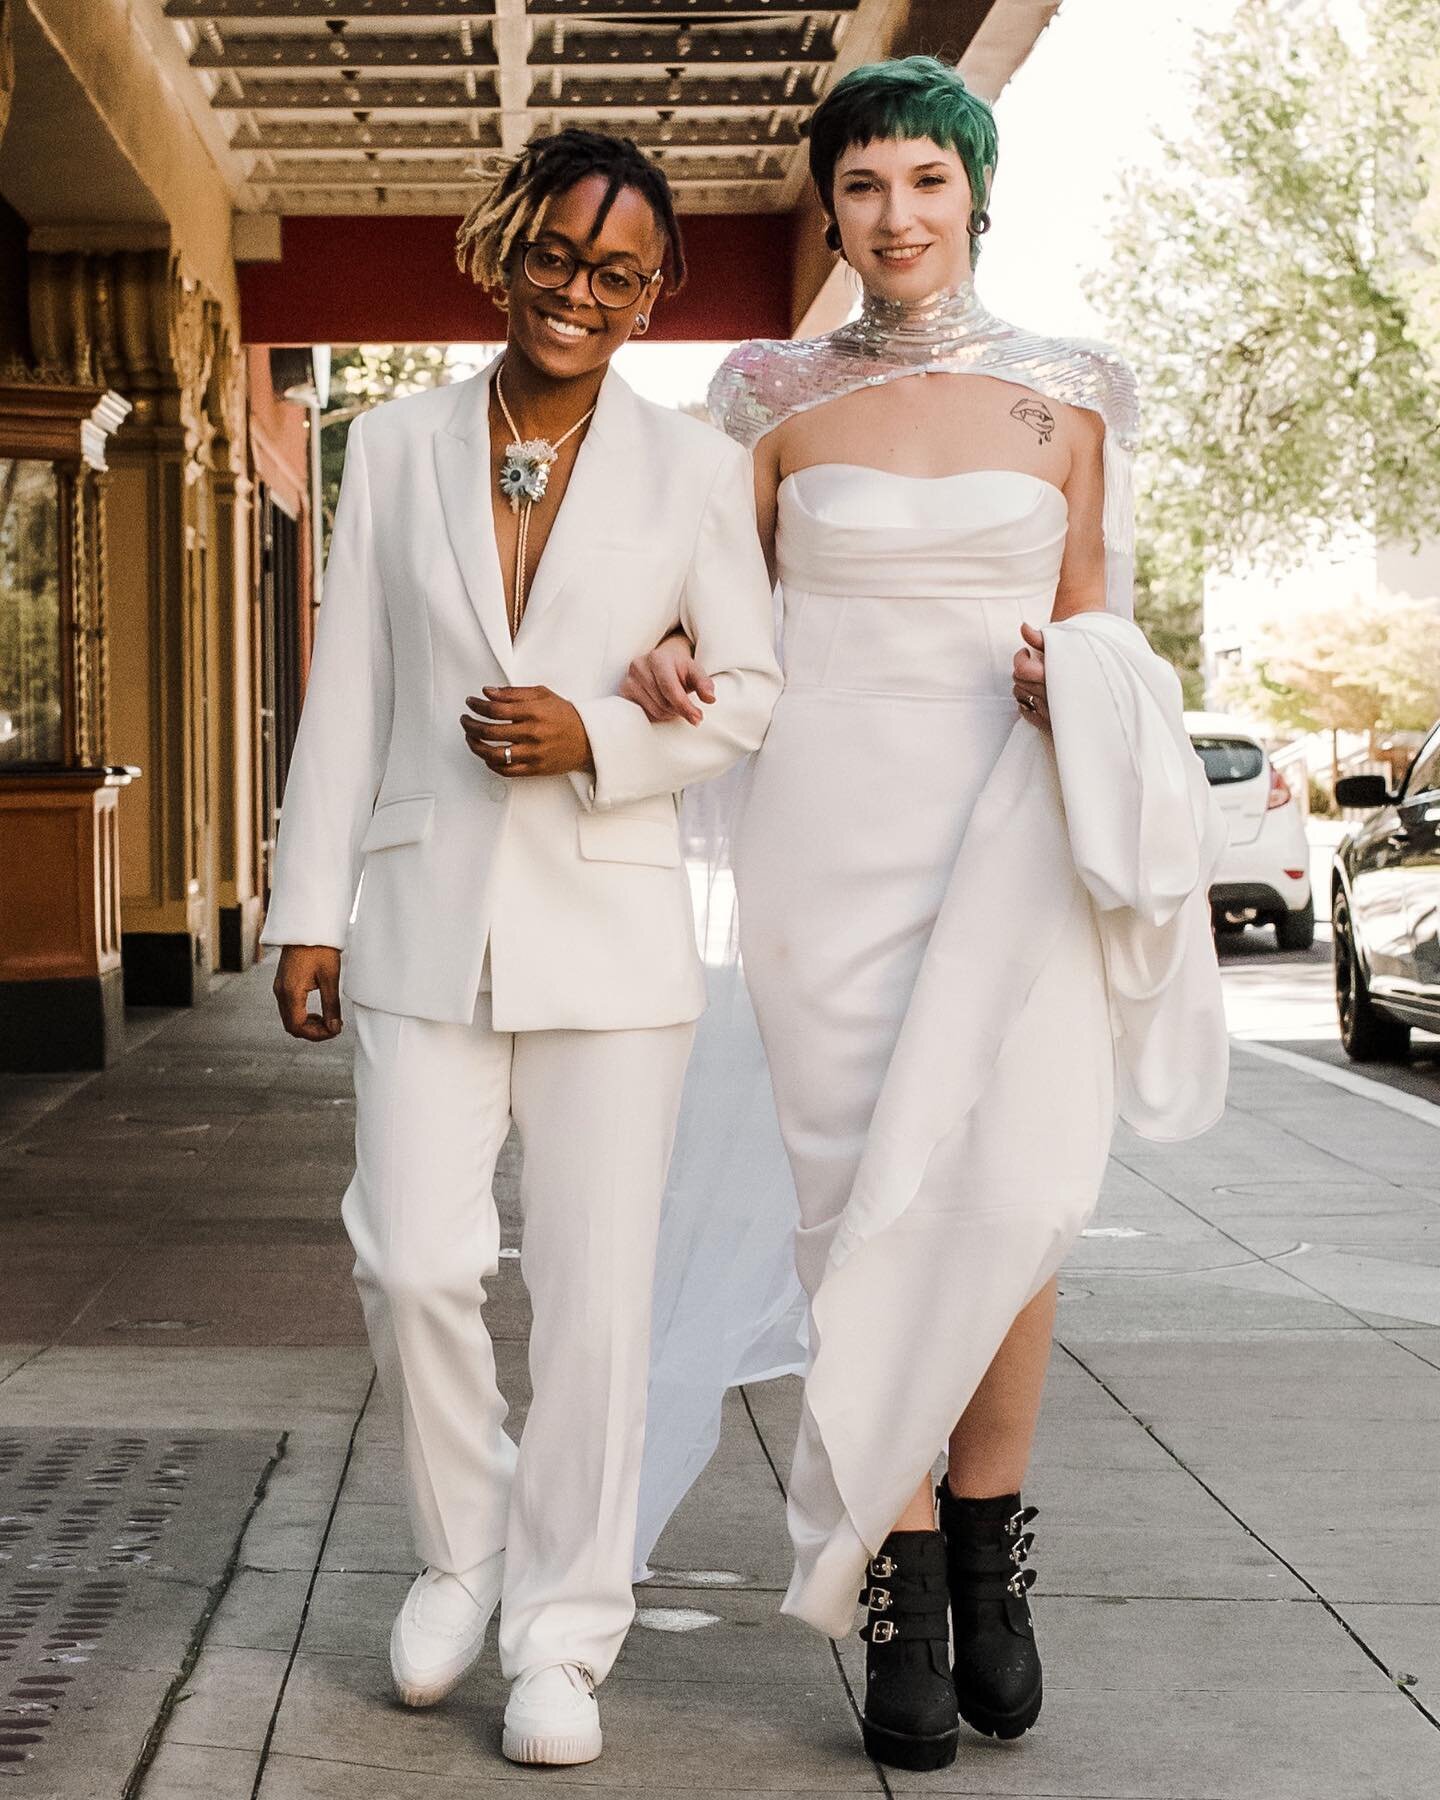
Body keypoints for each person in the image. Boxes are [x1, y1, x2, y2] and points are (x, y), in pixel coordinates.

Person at [623, 57, 1227, 1775]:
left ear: (976, 197)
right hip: (829, 831)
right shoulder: (761, 391)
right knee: (857, 1206)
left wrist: (1084, 689)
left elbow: (1096, 609)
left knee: (1019, 1194)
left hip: (1016, 816)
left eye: (928, 184)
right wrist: (663, 656)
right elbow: (696, 609)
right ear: (832, 206)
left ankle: (992, 1553)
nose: (898, 216)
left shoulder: (1076, 387)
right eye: (867, 186)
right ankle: (891, 1589)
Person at [261, 128, 781, 1768]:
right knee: (409, 1254)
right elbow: (346, 691)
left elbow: (754, 695)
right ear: (503, 252)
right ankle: (460, 1550)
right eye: (556, 254)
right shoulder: (395, 445)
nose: (580, 291)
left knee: (595, 1302)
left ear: (655, 292)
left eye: (619, 272)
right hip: (421, 915)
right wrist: (305, 909)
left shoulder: (693, 470)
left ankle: (563, 1635)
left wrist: (600, 743)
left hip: (611, 936)